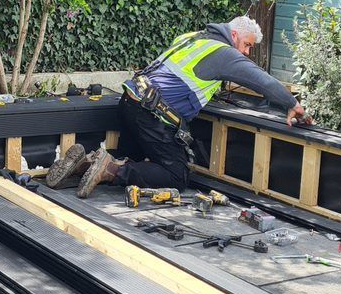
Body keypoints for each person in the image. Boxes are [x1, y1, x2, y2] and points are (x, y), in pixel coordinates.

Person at [46, 16, 311, 198]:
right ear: (233, 35)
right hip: (152, 115)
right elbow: (259, 79)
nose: (247, 53)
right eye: (247, 45)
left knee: (136, 160)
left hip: (130, 102)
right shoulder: (223, 53)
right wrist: (291, 103)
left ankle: (87, 162)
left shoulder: (192, 38)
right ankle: (109, 169)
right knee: (176, 174)